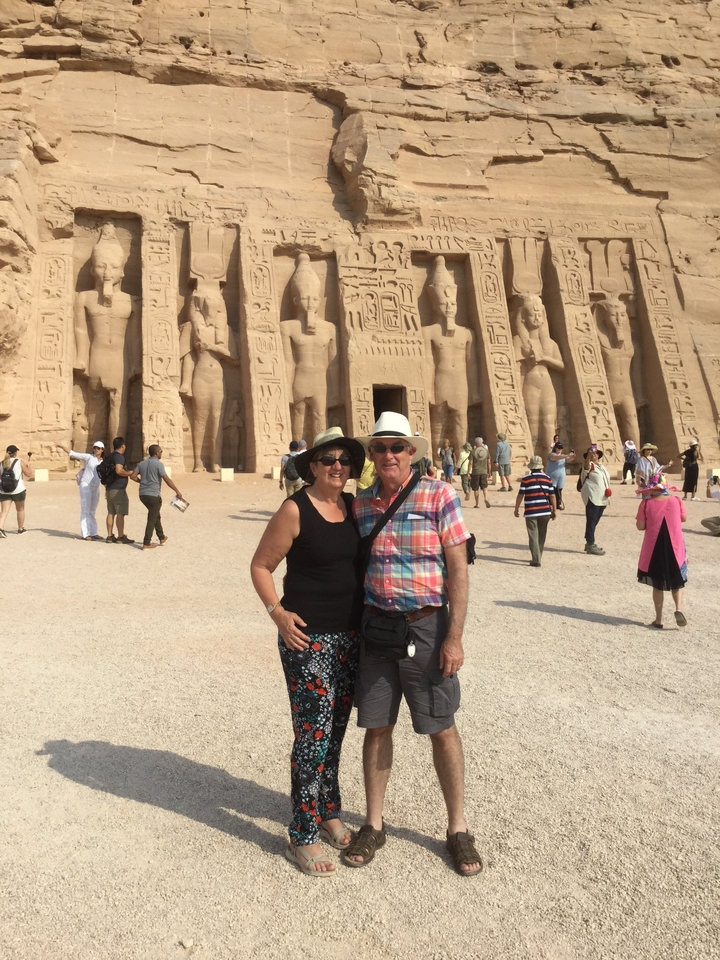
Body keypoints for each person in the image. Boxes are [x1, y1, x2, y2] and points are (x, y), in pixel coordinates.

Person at [344, 412, 482, 877]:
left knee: (441, 725)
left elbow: (459, 569)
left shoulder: (440, 494)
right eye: (379, 447)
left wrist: (454, 636)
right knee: (377, 725)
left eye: (396, 448)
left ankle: (458, 828)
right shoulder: (361, 505)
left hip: (426, 626)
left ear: (412, 453)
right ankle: (374, 823)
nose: (387, 455)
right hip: (378, 626)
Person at [250, 427, 366, 877]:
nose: (337, 466)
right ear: (312, 466)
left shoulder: (355, 507)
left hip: (349, 636)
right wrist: (278, 613)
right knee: (312, 735)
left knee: (335, 730)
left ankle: (328, 808)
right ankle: (302, 832)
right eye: (328, 459)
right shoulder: (294, 508)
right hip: (308, 639)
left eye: (343, 460)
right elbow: (261, 565)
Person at [635, 473, 687, 628]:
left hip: (654, 548)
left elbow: (640, 526)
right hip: (675, 546)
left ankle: (658, 619)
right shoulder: (676, 500)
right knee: (677, 582)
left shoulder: (646, 503)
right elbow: (683, 518)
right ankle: (678, 608)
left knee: (657, 584)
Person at [132, 445, 184, 550]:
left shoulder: (141, 464)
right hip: (153, 495)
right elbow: (167, 479)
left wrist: (141, 482)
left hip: (143, 495)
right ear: (156, 453)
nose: (161, 453)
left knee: (155, 515)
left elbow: (133, 476)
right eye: (161, 451)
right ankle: (146, 542)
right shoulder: (158, 464)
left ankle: (161, 537)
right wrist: (177, 491)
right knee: (152, 518)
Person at [57, 440, 106, 540]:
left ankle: (93, 532)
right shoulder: (88, 457)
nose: (96, 449)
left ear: (102, 450)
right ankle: (85, 533)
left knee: (92, 510)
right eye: (95, 447)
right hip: (86, 484)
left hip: (96, 486)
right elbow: (73, 453)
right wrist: (61, 446)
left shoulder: (103, 462)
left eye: (98, 448)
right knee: (85, 509)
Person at [514, 455, 557, 567]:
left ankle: (536, 559)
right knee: (542, 535)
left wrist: (516, 508)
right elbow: (552, 496)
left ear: (531, 467)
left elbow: (520, 495)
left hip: (531, 511)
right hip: (545, 511)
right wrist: (554, 510)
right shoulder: (547, 478)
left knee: (533, 535)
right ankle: (539, 556)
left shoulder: (526, 479)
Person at [579, 447, 611, 556]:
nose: (594, 455)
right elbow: (586, 465)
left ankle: (589, 540)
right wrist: (588, 456)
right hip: (592, 496)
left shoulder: (601, 467)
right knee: (591, 520)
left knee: (595, 520)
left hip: (602, 497)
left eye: (595, 453)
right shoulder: (588, 466)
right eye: (591, 454)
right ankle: (590, 544)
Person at [105, 437, 137, 544]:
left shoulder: (109, 456)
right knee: (120, 512)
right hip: (118, 489)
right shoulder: (119, 457)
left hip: (109, 488)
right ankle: (120, 536)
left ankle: (109, 536)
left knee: (111, 512)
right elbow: (119, 470)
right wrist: (128, 473)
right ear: (122, 446)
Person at [0, 445, 32, 536]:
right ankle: (20, 529)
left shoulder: (1, 463)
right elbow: (28, 474)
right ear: (15, 453)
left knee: (4, 510)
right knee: (20, 510)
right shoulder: (19, 462)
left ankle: (0, 527)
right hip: (18, 489)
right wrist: (28, 466)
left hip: (4, 490)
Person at [545, 442, 575, 510]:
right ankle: (551, 504)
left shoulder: (562, 456)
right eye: (559, 448)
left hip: (561, 475)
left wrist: (572, 457)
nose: (560, 449)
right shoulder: (551, 455)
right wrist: (566, 455)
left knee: (559, 490)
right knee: (552, 490)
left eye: (561, 448)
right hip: (552, 475)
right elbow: (555, 458)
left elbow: (568, 460)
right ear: (555, 448)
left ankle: (558, 504)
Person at [470, 436, 491, 509]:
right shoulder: (486, 451)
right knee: (484, 487)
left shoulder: (473, 451)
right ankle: (485, 498)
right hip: (484, 471)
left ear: (476, 443)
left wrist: (468, 472)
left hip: (475, 472)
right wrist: (489, 472)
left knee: (476, 488)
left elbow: (470, 463)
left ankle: (477, 504)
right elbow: (489, 463)